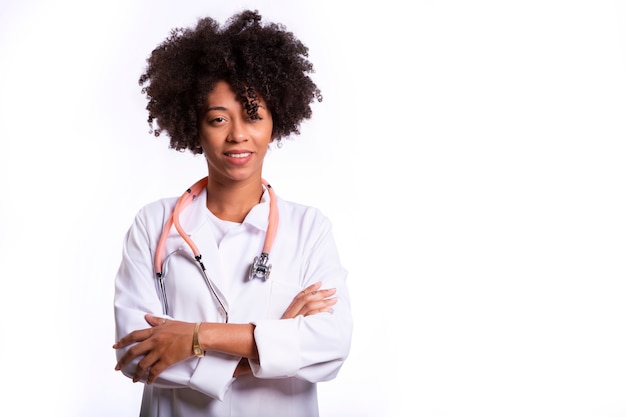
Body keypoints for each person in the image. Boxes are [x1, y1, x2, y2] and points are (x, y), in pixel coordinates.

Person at [112, 9, 353, 417]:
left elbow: (330, 346)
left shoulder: (309, 229)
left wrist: (193, 337)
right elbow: (138, 354)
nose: (238, 133)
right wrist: (273, 344)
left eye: (253, 115)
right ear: (194, 126)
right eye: (218, 118)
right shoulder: (153, 225)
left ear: (275, 123)